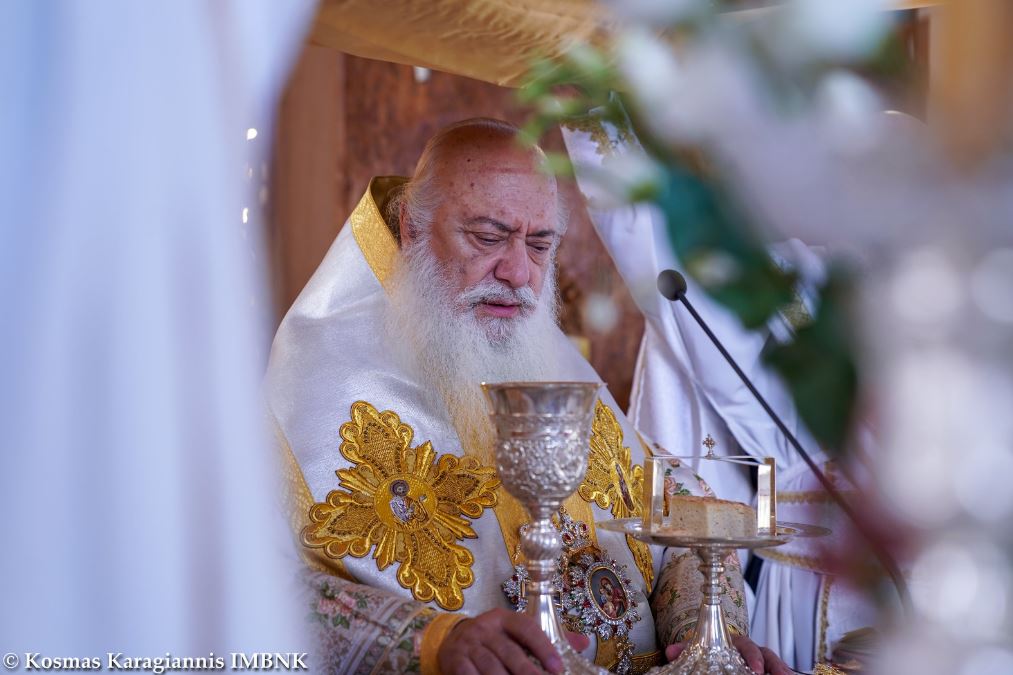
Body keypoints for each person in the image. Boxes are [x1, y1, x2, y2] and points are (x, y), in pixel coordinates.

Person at [265, 118, 788, 674]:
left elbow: (682, 511)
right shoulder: (320, 369)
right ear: (411, 229)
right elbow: (247, 578)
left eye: (540, 245)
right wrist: (435, 642)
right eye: (487, 237)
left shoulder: (544, 351)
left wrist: (708, 637)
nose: (518, 273)